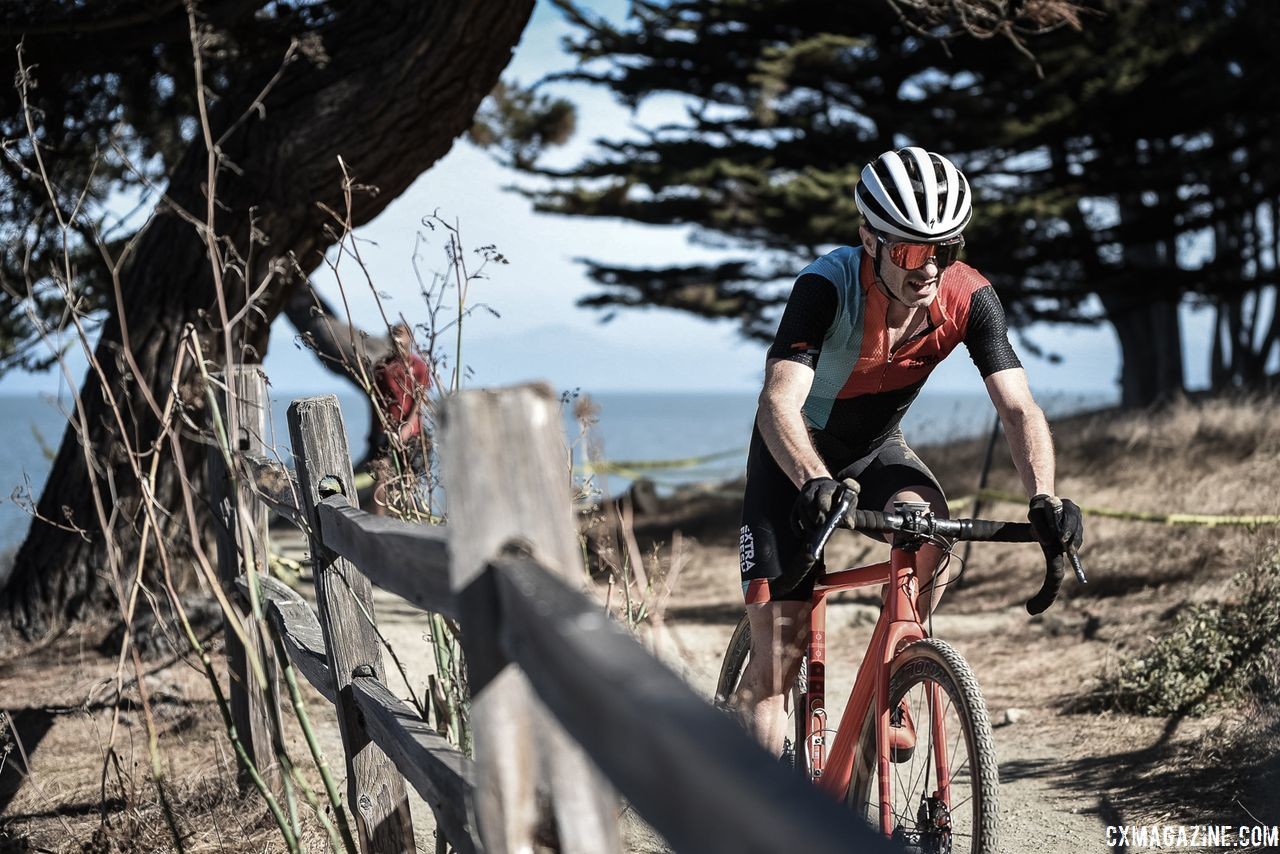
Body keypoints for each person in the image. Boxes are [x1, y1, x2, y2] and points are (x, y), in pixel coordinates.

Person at [732, 147, 1085, 758]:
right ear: (869, 240)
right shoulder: (825, 285)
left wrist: (1044, 499)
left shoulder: (969, 298)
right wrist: (813, 478)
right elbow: (777, 404)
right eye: (911, 251)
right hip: (794, 462)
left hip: (872, 450)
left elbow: (1018, 408)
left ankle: (896, 675)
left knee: (931, 533)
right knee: (777, 668)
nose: (930, 269)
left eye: (946, 250)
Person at [371, 322, 431, 515]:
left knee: (408, 479)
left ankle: (409, 518)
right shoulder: (382, 367)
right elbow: (378, 401)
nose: (397, 340)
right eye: (394, 335)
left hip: (412, 431)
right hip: (386, 428)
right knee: (382, 474)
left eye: (401, 335)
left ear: (409, 339)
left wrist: (407, 427)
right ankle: (379, 524)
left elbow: (419, 401)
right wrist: (379, 429)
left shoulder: (419, 367)